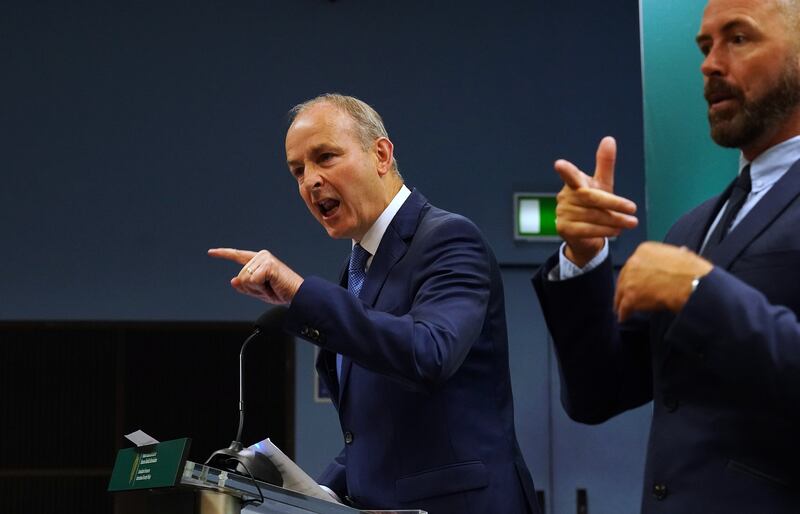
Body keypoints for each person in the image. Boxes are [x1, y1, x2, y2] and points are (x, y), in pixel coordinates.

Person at [209, 94, 539, 514]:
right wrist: (318, 494)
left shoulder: (449, 238)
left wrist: (299, 292)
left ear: (381, 154)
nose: (310, 180)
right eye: (298, 170)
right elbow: (374, 429)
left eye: (325, 157)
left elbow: (429, 353)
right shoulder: (353, 272)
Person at [532, 0, 800, 511]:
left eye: (738, 38)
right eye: (705, 46)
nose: (709, 63)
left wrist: (700, 292)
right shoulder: (692, 228)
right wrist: (583, 258)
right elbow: (598, 394)